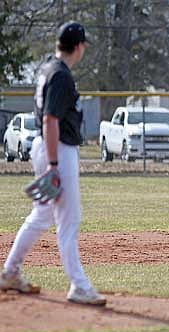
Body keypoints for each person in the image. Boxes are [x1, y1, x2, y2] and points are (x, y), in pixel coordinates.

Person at [0, 22, 106, 306]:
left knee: (43, 215)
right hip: (57, 148)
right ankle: (79, 286)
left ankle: (10, 271)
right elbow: (50, 119)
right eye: (84, 44)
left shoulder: (48, 67)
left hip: (47, 147)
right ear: (79, 46)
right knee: (69, 219)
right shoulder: (60, 74)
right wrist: (54, 164)